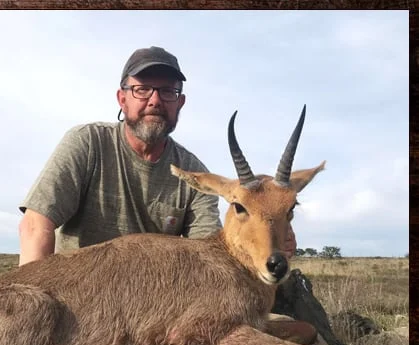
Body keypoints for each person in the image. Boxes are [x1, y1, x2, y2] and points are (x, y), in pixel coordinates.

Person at [18, 46, 296, 266]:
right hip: (78, 300)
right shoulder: (87, 143)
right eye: (141, 89)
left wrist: (268, 235)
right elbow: (35, 224)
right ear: (121, 98)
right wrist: (33, 300)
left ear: (180, 102)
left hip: (151, 306)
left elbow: (210, 250)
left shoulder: (192, 170)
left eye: (168, 91)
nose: (155, 100)